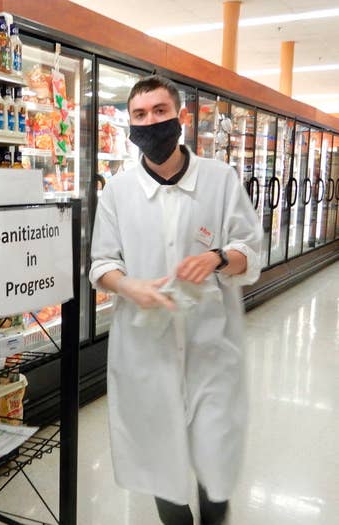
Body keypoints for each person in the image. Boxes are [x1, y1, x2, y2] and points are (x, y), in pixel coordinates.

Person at [89, 75, 262, 525]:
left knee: (213, 458)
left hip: (211, 348)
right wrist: (130, 286)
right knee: (160, 461)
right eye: (140, 115)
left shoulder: (221, 180)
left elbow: (250, 251)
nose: (151, 122)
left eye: (160, 111)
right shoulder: (118, 192)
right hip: (147, 352)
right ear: (130, 124)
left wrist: (219, 258)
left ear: (180, 117)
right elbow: (101, 263)